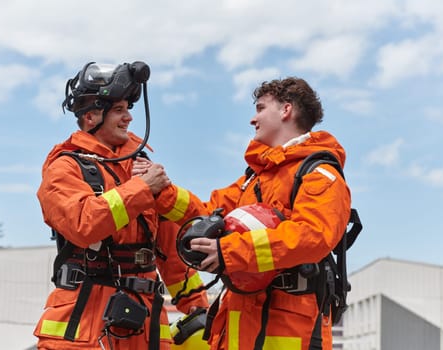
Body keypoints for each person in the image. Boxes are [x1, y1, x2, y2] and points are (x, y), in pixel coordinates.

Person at [141, 77, 352, 350]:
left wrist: (228, 252)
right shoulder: (255, 179)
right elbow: (207, 212)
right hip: (242, 322)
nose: (253, 119)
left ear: (286, 110)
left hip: (287, 329)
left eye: (261, 108)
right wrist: (159, 191)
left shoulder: (320, 174)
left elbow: (312, 236)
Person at [34, 62, 209, 350]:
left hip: (146, 324)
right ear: (91, 117)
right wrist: (143, 188)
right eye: (119, 110)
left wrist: (198, 310)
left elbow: (172, 257)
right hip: (85, 326)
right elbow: (83, 224)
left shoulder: (141, 169)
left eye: (129, 108)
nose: (129, 118)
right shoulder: (64, 168)